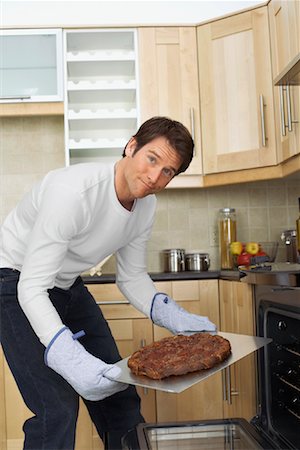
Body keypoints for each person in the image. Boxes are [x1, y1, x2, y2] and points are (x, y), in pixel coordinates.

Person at [0, 116, 216, 450]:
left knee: (118, 391)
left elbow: (130, 275)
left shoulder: (146, 207)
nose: (154, 177)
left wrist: (169, 313)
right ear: (132, 146)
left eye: (168, 172)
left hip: (66, 284)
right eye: (152, 159)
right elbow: (31, 286)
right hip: (14, 282)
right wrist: (67, 355)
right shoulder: (73, 192)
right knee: (55, 409)